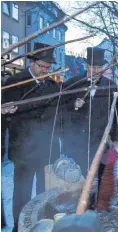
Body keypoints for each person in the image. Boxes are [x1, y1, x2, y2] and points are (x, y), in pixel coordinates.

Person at [1, 42, 60, 232]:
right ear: (32, 62)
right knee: (22, 192)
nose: (44, 70)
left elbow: (56, 114)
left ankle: (45, 225)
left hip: (45, 147)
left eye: (47, 68)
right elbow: (5, 113)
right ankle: (20, 227)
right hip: (23, 148)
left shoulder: (51, 85)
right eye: (41, 66)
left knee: (46, 191)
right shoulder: (15, 82)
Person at [61, 47, 117, 179]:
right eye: (92, 67)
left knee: (100, 179)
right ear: (86, 65)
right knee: (79, 181)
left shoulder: (111, 86)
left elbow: (114, 113)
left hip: (99, 142)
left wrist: (114, 137)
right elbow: (61, 108)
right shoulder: (72, 84)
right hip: (77, 142)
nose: (95, 71)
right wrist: (73, 105)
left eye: (98, 67)